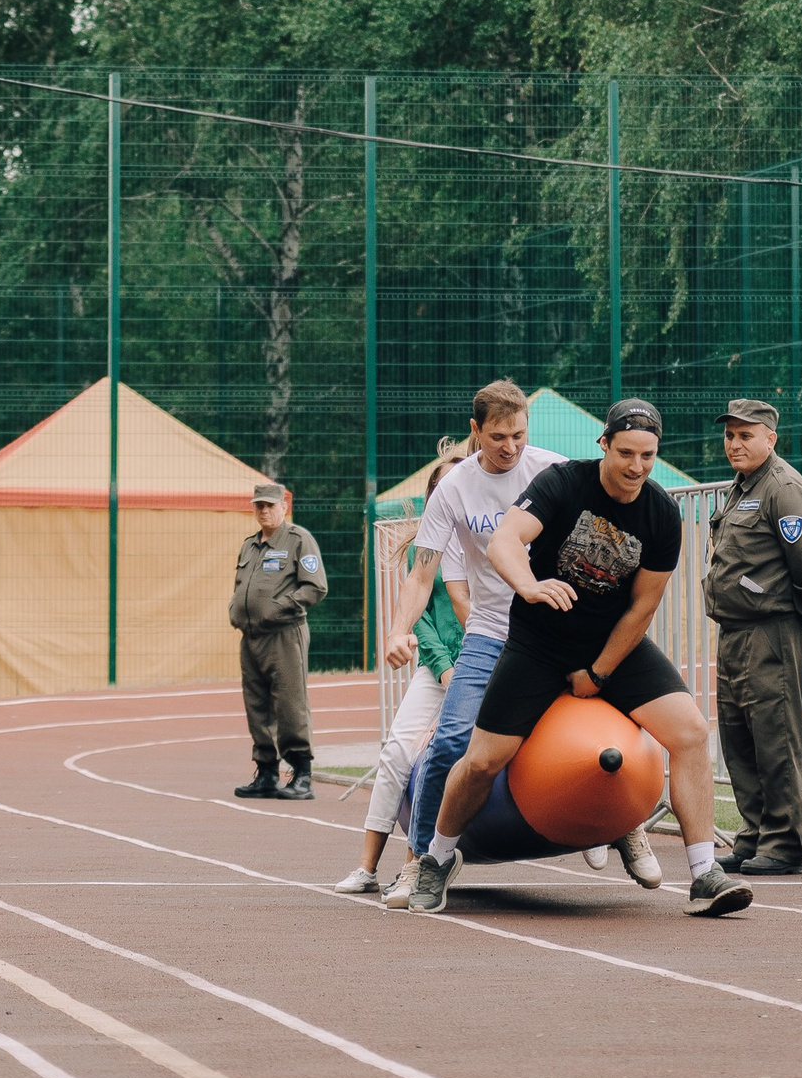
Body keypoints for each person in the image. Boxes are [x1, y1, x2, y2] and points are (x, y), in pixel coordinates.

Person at [406, 398, 748, 919]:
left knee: (693, 732)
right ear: (604, 445)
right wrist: (531, 586)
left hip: (611, 644)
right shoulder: (563, 482)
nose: (637, 466)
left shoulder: (660, 512)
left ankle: (704, 873)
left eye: (648, 456)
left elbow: (643, 606)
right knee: (481, 760)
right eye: (627, 452)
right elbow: (504, 541)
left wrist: (600, 671)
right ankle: (436, 858)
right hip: (537, 642)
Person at [387, 379, 597, 908]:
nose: (510, 448)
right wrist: (399, 630)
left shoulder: (553, 469)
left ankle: (623, 828)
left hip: (557, 626)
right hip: (492, 631)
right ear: (475, 431)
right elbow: (421, 573)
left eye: (519, 435)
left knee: (607, 723)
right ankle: (422, 862)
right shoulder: (455, 487)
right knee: (451, 743)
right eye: (498, 437)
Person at [339, 444, 470, 895]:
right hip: (439, 673)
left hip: (489, 667)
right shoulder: (423, 549)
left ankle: (603, 831)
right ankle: (369, 866)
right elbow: (424, 621)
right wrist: (444, 669)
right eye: (440, 489)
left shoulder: (492, 538)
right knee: (398, 752)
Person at [705, 397, 802, 878]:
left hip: (769, 630)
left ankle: (783, 843)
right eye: (731, 435)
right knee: (741, 741)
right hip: (734, 630)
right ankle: (754, 835)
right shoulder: (742, 487)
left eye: (746, 435)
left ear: (770, 438)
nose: (735, 443)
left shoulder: (783, 486)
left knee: (775, 737)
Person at [229, 483, 327, 800]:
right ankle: (267, 772)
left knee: (289, 702)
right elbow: (241, 585)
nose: (264, 511)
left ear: (283, 506)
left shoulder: (298, 540)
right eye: (258, 506)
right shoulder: (249, 546)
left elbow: (315, 588)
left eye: (270, 506)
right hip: (251, 636)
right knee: (256, 704)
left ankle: (302, 774)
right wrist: (235, 608)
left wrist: (277, 608)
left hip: (284, 634)